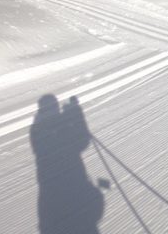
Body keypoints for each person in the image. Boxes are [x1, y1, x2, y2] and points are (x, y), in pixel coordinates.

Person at [30, 95, 104, 234]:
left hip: (49, 206)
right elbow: (82, 140)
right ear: (56, 107)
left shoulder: (36, 129)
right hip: (74, 196)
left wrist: (69, 116)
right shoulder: (59, 128)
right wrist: (75, 113)